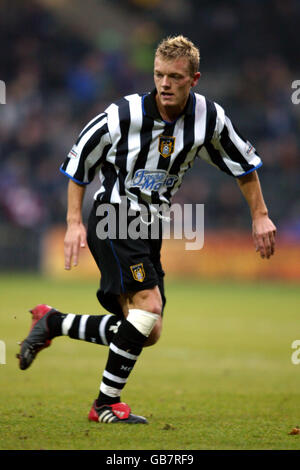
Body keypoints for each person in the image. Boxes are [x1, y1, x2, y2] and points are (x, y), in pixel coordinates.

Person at [17, 35, 276, 424]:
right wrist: (72, 223)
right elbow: (78, 163)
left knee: (146, 329)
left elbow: (244, 165)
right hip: (114, 217)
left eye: (174, 76)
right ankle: (104, 404)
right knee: (149, 308)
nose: (165, 84)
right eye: (159, 75)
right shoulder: (123, 115)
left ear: (195, 79)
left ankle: (54, 322)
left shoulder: (209, 118)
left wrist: (260, 215)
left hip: (149, 227)